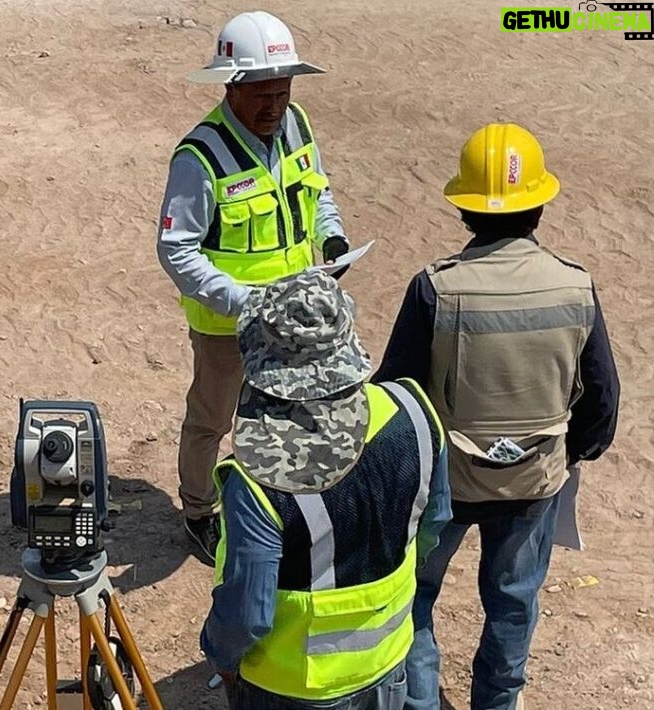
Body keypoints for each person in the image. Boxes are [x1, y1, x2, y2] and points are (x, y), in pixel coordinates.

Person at [372, 123, 620, 710]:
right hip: (533, 483)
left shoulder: (435, 289)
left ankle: (421, 702)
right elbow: (602, 402)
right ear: (539, 206)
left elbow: (394, 394)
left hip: (446, 485)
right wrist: (566, 452)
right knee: (513, 601)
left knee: (417, 597)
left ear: (464, 210)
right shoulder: (575, 286)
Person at [200, 270, 451, 709]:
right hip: (388, 663)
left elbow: (248, 613)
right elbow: (433, 526)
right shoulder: (413, 411)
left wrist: (219, 653)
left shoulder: (257, 481)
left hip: (292, 688)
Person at [157, 10, 351, 562]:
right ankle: (198, 511)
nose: (273, 105)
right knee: (213, 420)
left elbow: (318, 193)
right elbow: (176, 250)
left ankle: (280, 504)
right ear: (231, 85)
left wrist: (332, 239)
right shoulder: (200, 156)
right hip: (228, 328)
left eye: (282, 90)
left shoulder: (298, 125)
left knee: (291, 412)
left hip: (299, 314)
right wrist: (245, 302)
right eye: (261, 92)